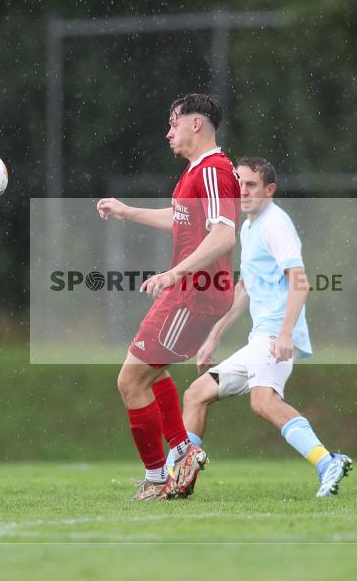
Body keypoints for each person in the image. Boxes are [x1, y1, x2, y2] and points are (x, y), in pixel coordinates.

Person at [173, 157, 353, 498]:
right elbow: (245, 288)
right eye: (238, 183)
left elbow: (300, 283)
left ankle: (326, 461)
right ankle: (180, 481)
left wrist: (286, 334)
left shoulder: (274, 225)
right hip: (259, 341)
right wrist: (213, 337)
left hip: (274, 337)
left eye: (251, 185)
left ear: (269, 190)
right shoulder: (248, 226)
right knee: (195, 395)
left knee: (263, 402)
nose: (242, 191)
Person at [97, 94, 240, 501]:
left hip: (195, 294)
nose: (169, 132)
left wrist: (175, 273)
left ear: (197, 124)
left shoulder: (212, 170)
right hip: (187, 291)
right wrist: (128, 212)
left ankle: (158, 478)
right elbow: (177, 218)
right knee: (151, 373)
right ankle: (183, 452)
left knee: (130, 380)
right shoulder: (196, 172)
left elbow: (225, 233)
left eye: (174, 123)